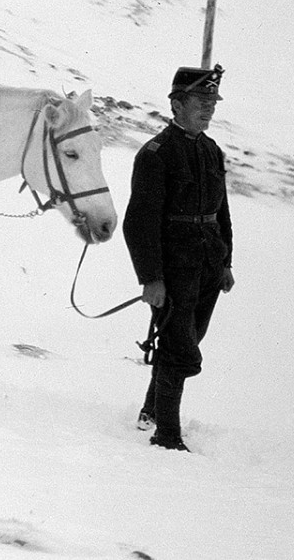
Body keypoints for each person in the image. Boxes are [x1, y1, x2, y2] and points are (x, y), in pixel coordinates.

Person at [124, 65, 235, 451]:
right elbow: (139, 222)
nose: (208, 110)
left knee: (187, 337)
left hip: (207, 264)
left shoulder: (210, 150)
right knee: (178, 346)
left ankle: (152, 410)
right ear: (176, 104)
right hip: (173, 267)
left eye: (211, 103)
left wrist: (226, 262)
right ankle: (166, 435)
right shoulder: (156, 154)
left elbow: (221, 214)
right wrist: (151, 278)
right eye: (200, 102)